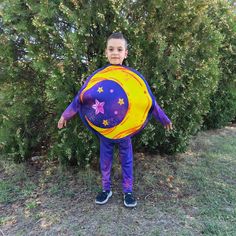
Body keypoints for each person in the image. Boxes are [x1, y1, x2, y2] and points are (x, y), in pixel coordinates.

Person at [58, 32, 173, 208]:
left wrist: (163, 118)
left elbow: (148, 100)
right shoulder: (99, 77)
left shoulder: (132, 78)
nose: (115, 53)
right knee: (105, 161)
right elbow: (81, 97)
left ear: (125, 53)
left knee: (127, 160)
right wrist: (65, 115)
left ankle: (128, 191)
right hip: (105, 132)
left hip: (124, 131)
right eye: (111, 49)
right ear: (106, 52)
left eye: (119, 49)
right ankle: (106, 189)